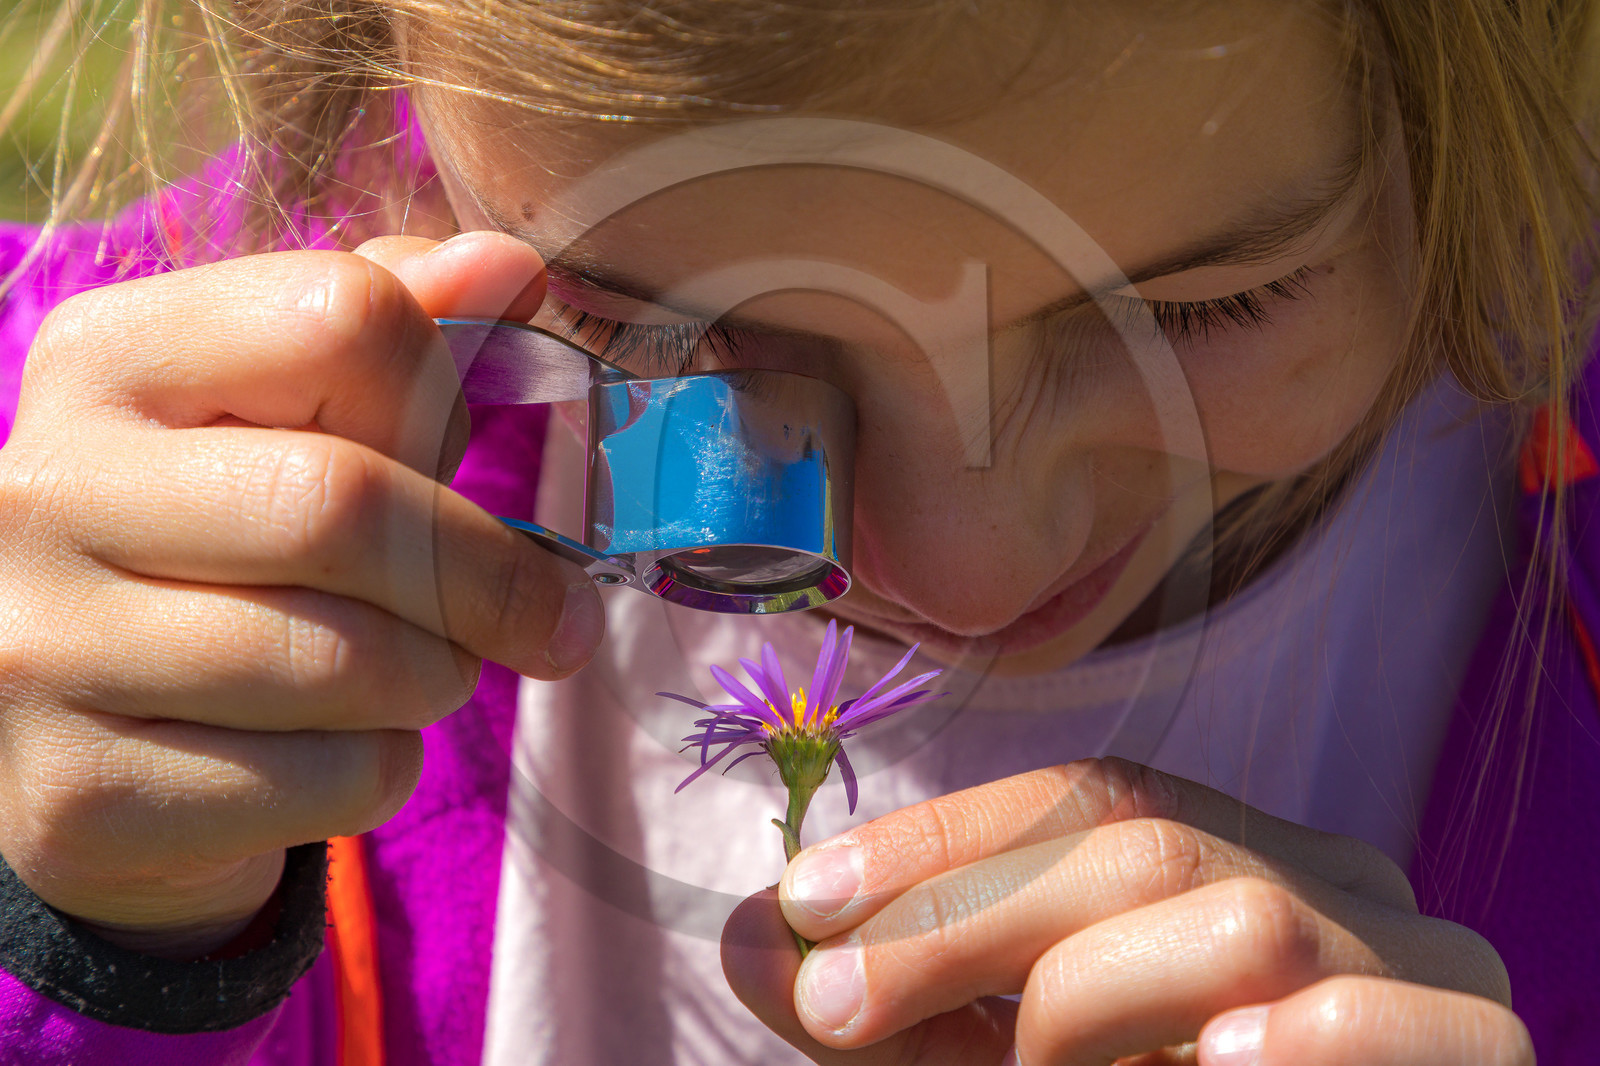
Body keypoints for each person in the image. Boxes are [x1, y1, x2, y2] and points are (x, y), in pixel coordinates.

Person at [0, 1, 1596, 1063]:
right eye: (642, 319)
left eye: (1204, 307)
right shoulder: (83, 509)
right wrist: (92, 937)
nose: (956, 566)